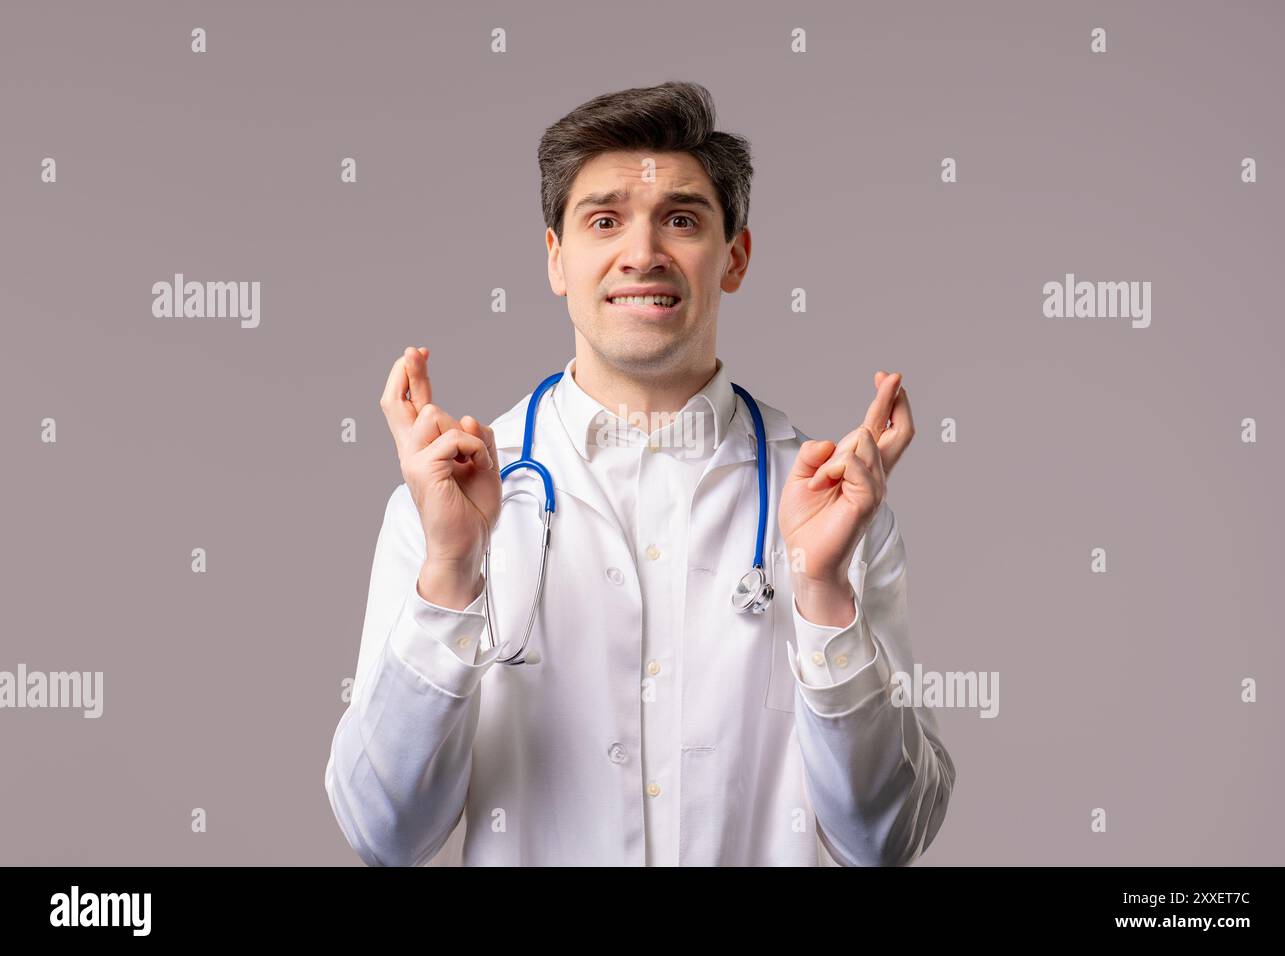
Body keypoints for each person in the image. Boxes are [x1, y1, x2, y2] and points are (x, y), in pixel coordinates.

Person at [324, 81, 955, 866]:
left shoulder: (834, 507)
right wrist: (453, 573)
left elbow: (885, 841)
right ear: (556, 260)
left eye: (682, 220)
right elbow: (384, 836)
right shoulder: (443, 504)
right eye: (604, 220)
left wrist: (823, 596)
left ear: (736, 258)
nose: (643, 253)